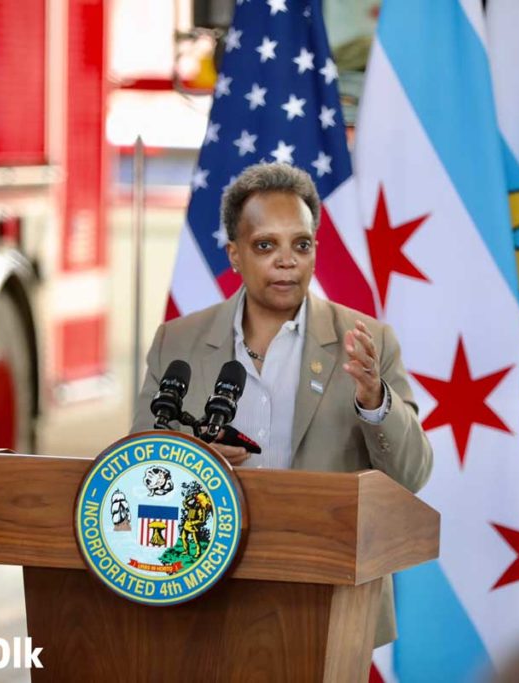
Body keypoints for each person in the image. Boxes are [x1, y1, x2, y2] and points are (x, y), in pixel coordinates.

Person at [131, 162, 432, 646]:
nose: (287, 261)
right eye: (266, 245)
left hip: (327, 594)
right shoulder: (180, 341)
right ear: (234, 254)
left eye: (302, 244)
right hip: (204, 588)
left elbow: (412, 475)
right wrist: (192, 461)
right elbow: (136, 463)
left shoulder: (366, 341)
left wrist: (376, 400)